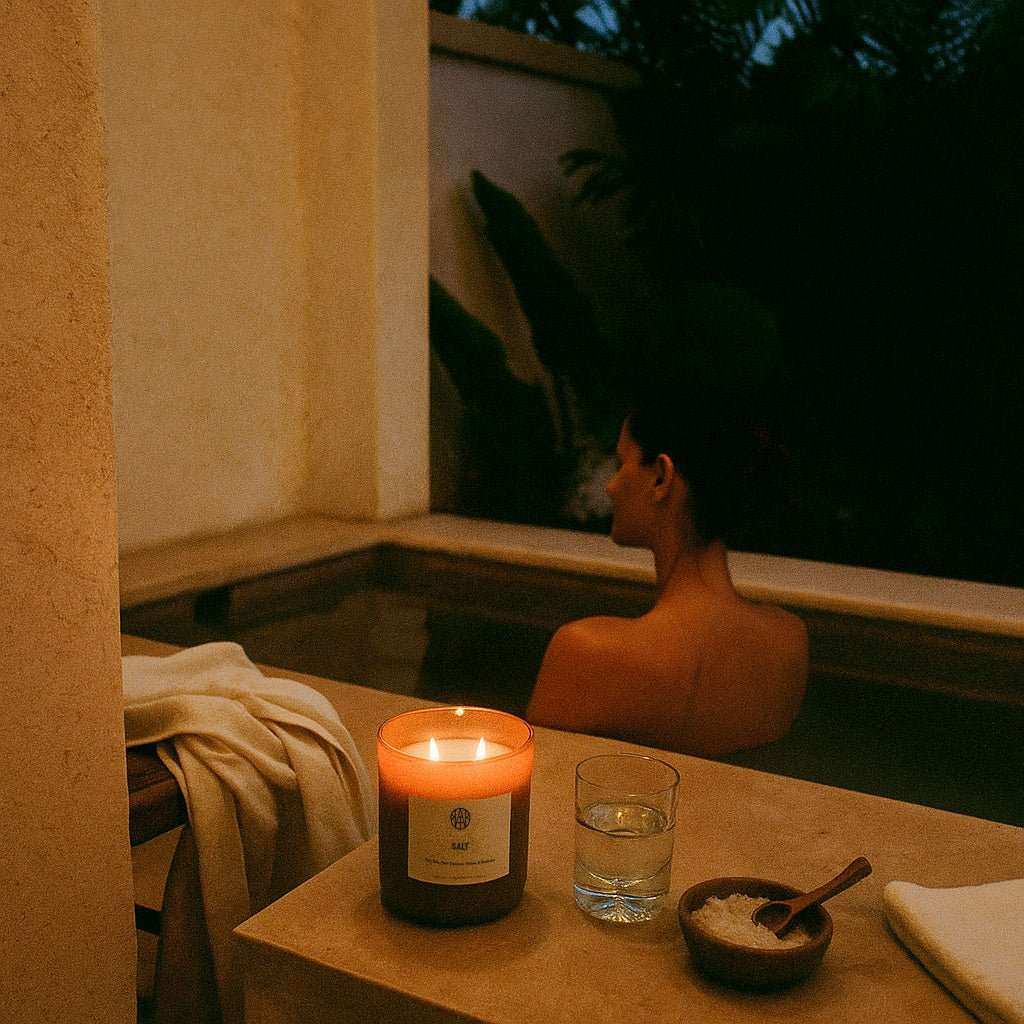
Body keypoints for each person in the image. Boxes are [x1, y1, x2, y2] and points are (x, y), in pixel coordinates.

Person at [526, 391, 808, 757]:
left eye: (621, 463)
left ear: (661, 477)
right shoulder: (790, 642)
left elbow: (536, 791)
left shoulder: (585, 652)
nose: (611, 486)